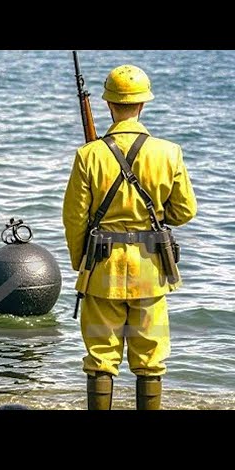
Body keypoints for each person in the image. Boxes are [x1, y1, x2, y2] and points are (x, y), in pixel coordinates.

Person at [62, 64, 197, 410]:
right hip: (151, 273)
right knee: (151, 361)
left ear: (109, 105)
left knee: (100, 360)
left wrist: (83, 264)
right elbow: (185, 212)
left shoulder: (88, 155)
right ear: (142, 105)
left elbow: (74, 218)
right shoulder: (170, 153)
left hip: (101, 271)